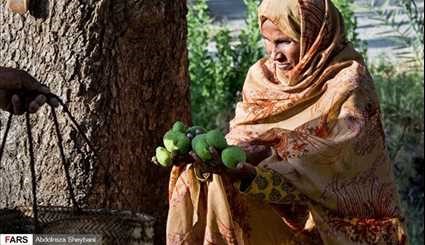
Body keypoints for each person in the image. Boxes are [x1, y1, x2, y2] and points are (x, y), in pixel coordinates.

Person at [166, 0, 407, 244]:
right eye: (267, 40)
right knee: (208, 180)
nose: (274, 54)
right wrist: (211, 157)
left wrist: (254, 171)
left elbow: (330, 167)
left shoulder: (348, 84)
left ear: (315, 37)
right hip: (271, 207)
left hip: (334, 222)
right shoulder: (262, 78)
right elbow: (244, 136)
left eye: (284, 41)